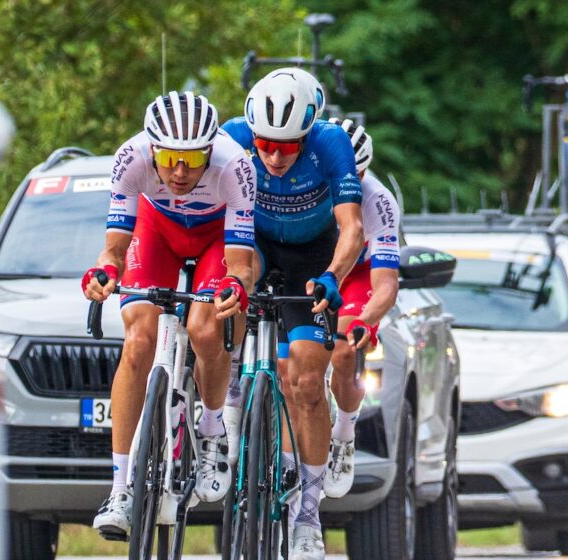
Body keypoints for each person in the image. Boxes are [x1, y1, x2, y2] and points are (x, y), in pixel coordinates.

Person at [83, 91, 256, 540]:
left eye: (193, 159)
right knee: (138, 340)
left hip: (216, 239)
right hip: (156, 231)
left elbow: (240, 262)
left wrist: (236, 285)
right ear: (153, 149)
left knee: (205, 329)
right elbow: (114, 249)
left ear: (210, 150)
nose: (180, 172)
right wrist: (104, 272)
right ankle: (120, 490)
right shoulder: (131, 158)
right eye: (170, 158)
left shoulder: (235, 165)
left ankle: (212, 430)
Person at [222, 68, 364, 560]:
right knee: (229, 290)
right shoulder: (232, 137)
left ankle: (308, 514)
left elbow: (352, 228)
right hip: (256, 244)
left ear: (306, 135)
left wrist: (334, 275)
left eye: (287, 147)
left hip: (312, 254)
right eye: (264, 145)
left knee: (305, 381)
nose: (274, 157)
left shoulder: (330, 143)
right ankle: (228, 394)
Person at [322, 117, 400, 498]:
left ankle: (344, 432)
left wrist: (366, 320)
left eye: (355, 174)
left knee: (343, 350)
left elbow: (386, 284)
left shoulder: (378, 202)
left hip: (357, 274)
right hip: (313, 264)